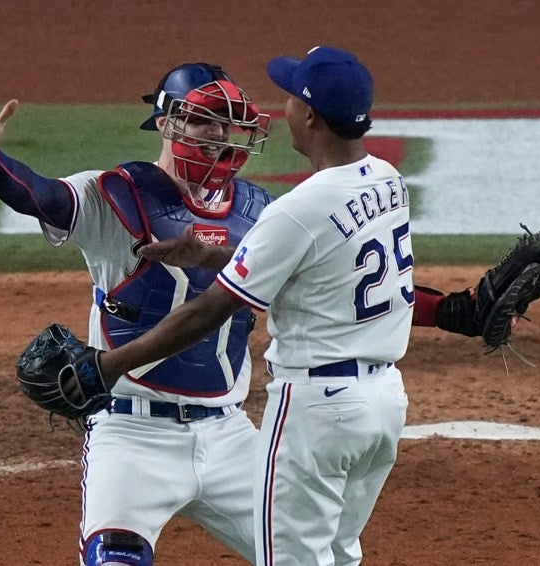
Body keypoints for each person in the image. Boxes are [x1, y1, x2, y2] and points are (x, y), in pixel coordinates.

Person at [96, 46, 414, 565]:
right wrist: (215, 253)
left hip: (319, 410)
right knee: (337, 555)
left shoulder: (296, 210)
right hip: (383, 405)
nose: (282, 107)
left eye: (291, 97)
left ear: (309, 115)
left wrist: (109, 365)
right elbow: (317, 263)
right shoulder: (388, 181)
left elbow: (210, 310)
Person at [0, 64, 274, 565]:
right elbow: (41, 196)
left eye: (225, 124)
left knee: (318, 555)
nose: (217, 135)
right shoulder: (116, 196)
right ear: (168, 122)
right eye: (205, 120)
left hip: (230, 434)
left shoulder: (260, 212)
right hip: (131, 435)